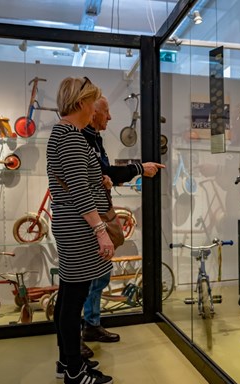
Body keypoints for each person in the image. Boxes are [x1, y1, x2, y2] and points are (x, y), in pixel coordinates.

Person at [80, 96, 165, 357]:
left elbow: (104, 173)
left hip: (100, 213)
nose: (110, 117)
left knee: (101, 273)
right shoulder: (79, 138)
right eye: (106, 112)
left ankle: (92, 324)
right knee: (82, 281)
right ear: (91, 112)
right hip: (87, 221)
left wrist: (104, 178)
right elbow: (81, 184)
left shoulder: (95, 139)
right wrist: (140, 167)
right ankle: (74, 341)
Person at [47, 76, 113, 384]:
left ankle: (67, 361)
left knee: (69, 297)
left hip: (71, 225)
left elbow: (78, 179)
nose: (94, 110)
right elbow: (78, 190)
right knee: (73, 300)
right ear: (81, 103)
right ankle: (74, 371)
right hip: (78, 228)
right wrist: (100, 230)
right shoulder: (71, 137)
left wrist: (100, 180)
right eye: (92, 103)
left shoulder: (63, 134)